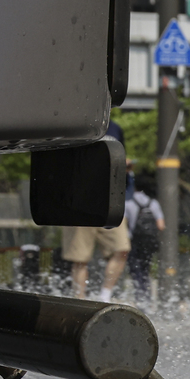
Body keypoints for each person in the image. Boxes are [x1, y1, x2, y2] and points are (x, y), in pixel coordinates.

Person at [61, 119, 130, 302]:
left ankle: (105, 297)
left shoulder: (116, 128)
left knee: (122, 248)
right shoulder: (74, 126)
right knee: (80, 258)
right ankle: (80, 300)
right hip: (79, 201)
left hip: (110, 199)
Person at [125, 171, 165, 305]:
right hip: (148, 243)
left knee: (136, 271)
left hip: (133, 242)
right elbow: (161, 225)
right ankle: (146, 299)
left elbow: (123, 223)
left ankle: (139, 299)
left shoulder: (129, 202)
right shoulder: (153, 203)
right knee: (145, 270)